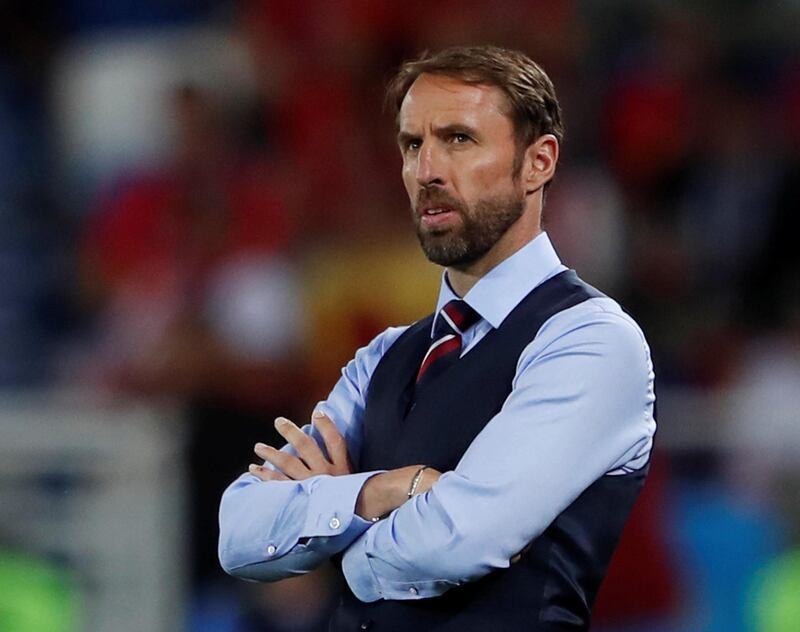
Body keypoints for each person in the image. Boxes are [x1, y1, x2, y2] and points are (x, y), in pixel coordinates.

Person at [218, 45, 656, 631]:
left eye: (458, 139)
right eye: (412, 145)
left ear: (538, 162)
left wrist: (327, 531)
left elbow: (461, 539)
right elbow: (240, 531)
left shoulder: (591, 341)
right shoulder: (384, 357)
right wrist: (389, 490)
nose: (427, 170)